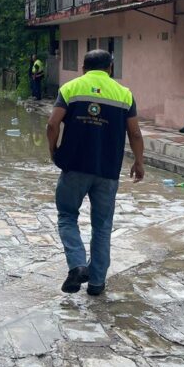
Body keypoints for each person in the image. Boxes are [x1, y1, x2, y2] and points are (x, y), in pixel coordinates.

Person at [46, 50, 144, 296]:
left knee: (67, 216)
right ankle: (97, 283)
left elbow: (52, 123)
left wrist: (53, 150)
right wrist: (139, 162)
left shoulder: (71, 88)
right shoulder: (124, 94)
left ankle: (78, 265)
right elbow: (135, 133)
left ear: (83, 68)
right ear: (110, 68)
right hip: (108, 170)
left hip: (74, 167)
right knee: (102, 226)